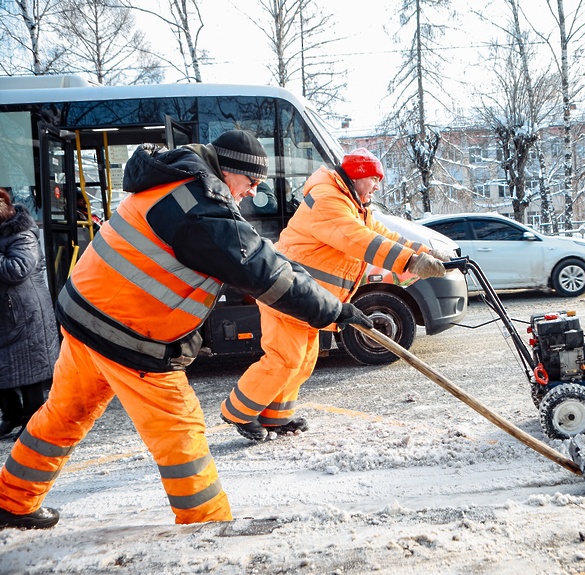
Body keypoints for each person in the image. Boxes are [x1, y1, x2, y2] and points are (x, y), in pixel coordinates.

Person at [0, 130, 372, 530]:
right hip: (129, 335)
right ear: (230, 172)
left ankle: (11, 500)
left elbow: (260, 253)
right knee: (181, 434)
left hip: (85, 316)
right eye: (250, 183)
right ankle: (207, 528)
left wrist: (329, 302)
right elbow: (262, 271)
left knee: (63, 414)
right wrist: (333, 309)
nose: (250, 193)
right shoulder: (200, 207)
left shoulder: (177, 183)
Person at [220, 148, 448, 441]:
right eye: (374, 178)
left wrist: (425, 252)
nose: (377, 185)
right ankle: (238, 411)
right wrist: (409, 262)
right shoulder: (329, 201)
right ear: (357, 176)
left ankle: (276, 416)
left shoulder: (352, 204)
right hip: (285, 291)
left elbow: (382, 234)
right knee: (284, 359)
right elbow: (358, 239)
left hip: (306, 298)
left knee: (302, 360)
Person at [0, 188, 58, 440]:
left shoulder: (22, 233)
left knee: (28, 370)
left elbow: (17, 269)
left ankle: (34, 420)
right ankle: (12, 415)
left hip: (25, 312)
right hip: (6, 312)